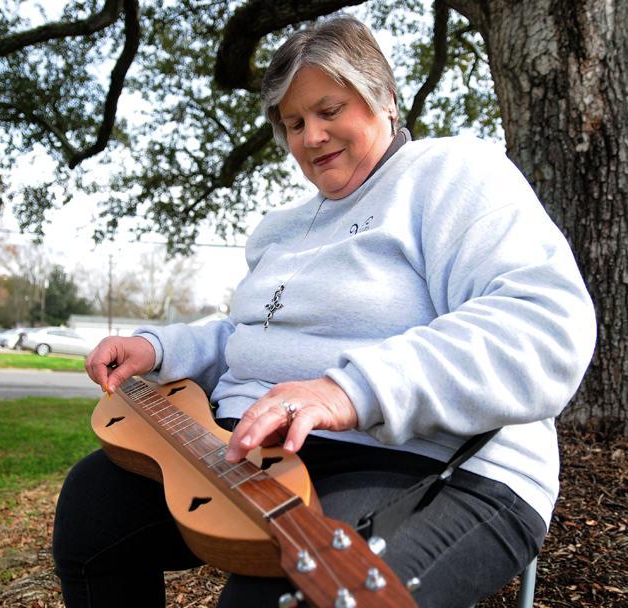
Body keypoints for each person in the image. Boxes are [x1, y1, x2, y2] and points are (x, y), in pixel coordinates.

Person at [52, 16, 596, 608]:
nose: (311, 137)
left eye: (329, 110)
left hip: (428, 462)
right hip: (258, 445)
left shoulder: (454, 174)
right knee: (93, 505)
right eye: (294, 123)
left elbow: (543, 325)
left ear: (384, 97)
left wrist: (346, 390)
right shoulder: (279, 228)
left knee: (273, 597)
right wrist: (158, 349)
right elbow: (249, 334)